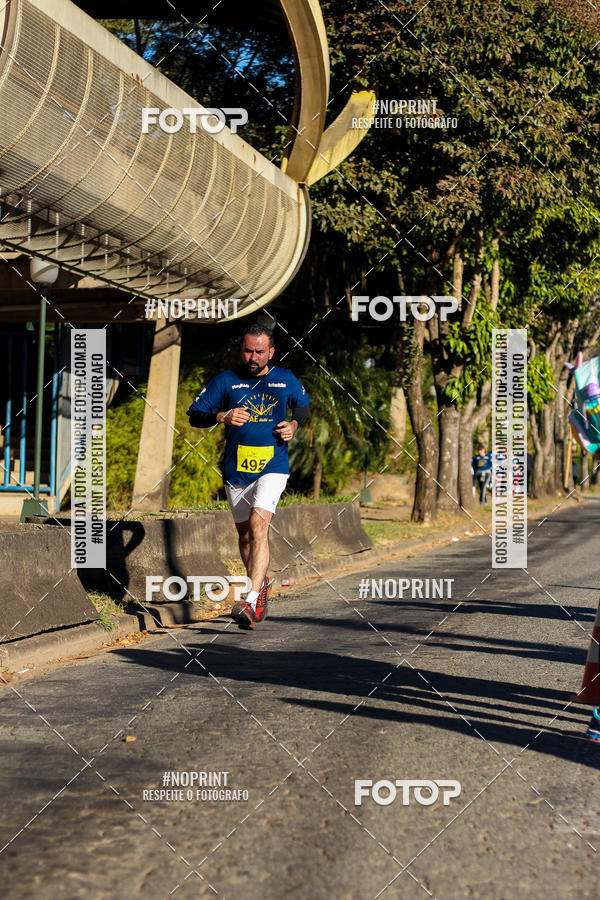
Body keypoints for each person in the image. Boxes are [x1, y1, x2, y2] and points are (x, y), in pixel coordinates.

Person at [187, 324, 310, 630]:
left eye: (259, 352)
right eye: (248, 351)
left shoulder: (285, 379)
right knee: (244, 536)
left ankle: (251, 599)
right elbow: (195, 415)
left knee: (258, 525)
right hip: (236, 469)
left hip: (273, 466)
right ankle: (261, 582)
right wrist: (222, 416)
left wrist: (294, 426)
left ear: (271, 352)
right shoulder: (226, 380)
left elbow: (303, 407)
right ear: (241, 350)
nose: (253, 357)